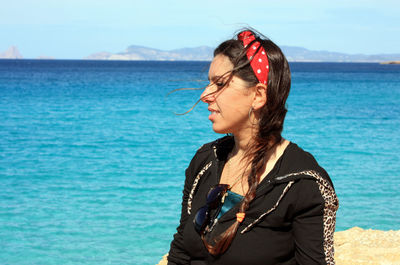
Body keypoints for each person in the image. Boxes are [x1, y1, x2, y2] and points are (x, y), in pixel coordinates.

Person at [167, 29, 339, 265]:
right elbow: (181, 252)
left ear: (258, 95)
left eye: (219, 84)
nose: (205, 95)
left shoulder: (303, 182)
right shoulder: (206, 160)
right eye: (209, 83)